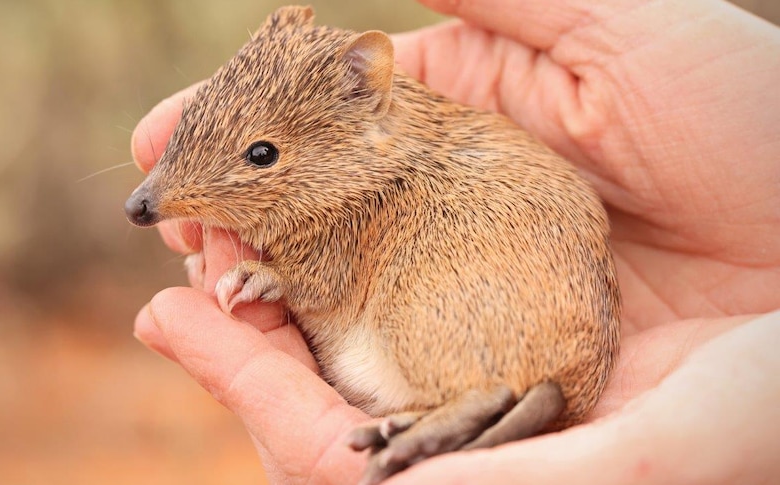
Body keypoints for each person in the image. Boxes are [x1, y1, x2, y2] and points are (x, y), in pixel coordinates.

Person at [129, 0, 780, 483]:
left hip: (512, 328)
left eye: (261, 155)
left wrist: (288, 280)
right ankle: (469, 405)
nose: (150, 198)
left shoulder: (383, 193)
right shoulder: (356, 190)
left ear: (365, 102)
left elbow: (330, 283)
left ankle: (472, 400)